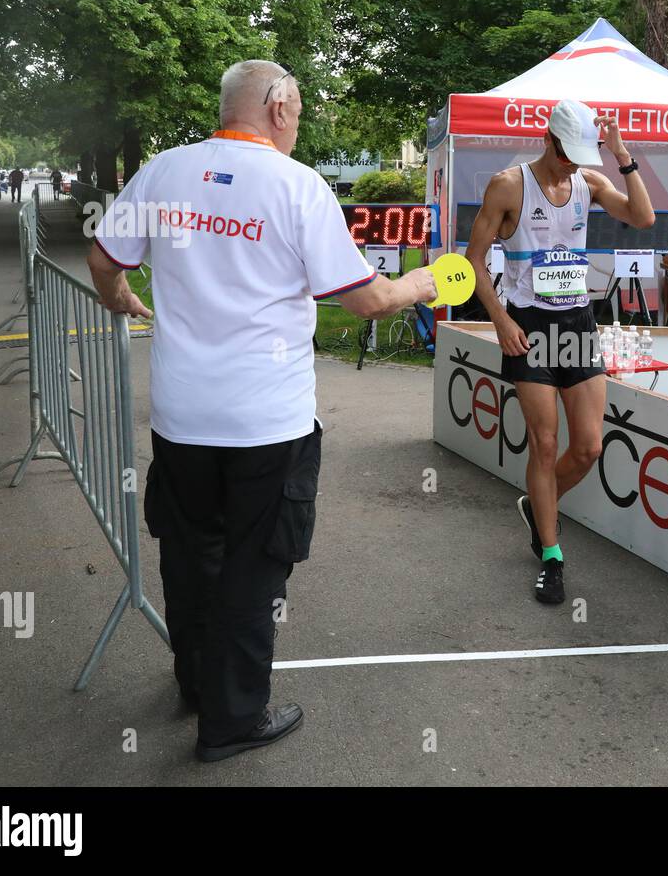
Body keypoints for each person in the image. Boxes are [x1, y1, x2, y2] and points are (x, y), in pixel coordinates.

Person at [86, 60, 436, 762]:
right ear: (278, 106)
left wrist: (117, 297)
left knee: (189, 557)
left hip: (182, 417)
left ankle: (196, 685)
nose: (299, 121)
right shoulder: (297, 187)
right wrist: (423, 283)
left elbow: (103, 256)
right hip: (266, 425)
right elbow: (364, 298)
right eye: (299, 108)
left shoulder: (164, 172)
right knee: (255, 568)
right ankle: (233, 718)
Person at [466, 99, 654, 605]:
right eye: (566, 152)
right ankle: (552, 556)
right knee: (545, 445)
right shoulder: (509, 185)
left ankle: (539, 506)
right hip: (528, 326)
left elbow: (643, 216)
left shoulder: (590, 183)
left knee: (589, 446)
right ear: (547, 138)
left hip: (578, 323)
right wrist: (501, 319)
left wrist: (622, 155)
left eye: (581, 154)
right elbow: (474, 261)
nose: (572, 161)